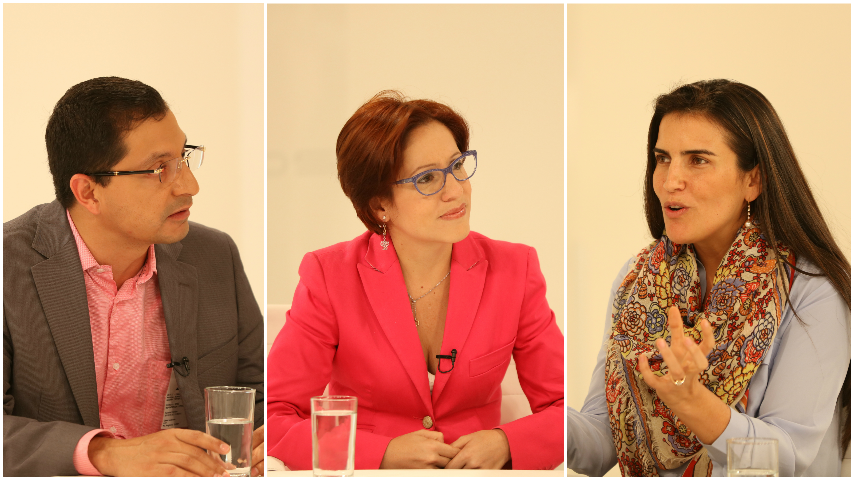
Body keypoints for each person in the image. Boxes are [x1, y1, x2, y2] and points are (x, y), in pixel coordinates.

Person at [566, 79, 851, 476]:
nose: (670, 181)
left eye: (697, 160)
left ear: (753, 180)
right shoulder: (636, 282)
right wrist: (535, 425)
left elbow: (783, 461)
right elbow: (601, 442)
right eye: (662, 158)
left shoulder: (811, 290)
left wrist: (692, 402)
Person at [267, 90, 564, 470]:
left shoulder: (515, 269)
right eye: (427, 178)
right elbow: (275, 418)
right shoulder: (329, 275)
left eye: (457, 166)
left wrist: (506, 442)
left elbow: (563, 410)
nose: (456, 191)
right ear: (380, 204)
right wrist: (381, 453)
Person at [2, 77, 265, 477]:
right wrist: (104, 454)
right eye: (160, 169)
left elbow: (262, 398)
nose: (190, 185)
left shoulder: (214, 255)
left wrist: (267, 442)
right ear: (89, 192)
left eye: (184, 157)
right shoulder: (10, 265)